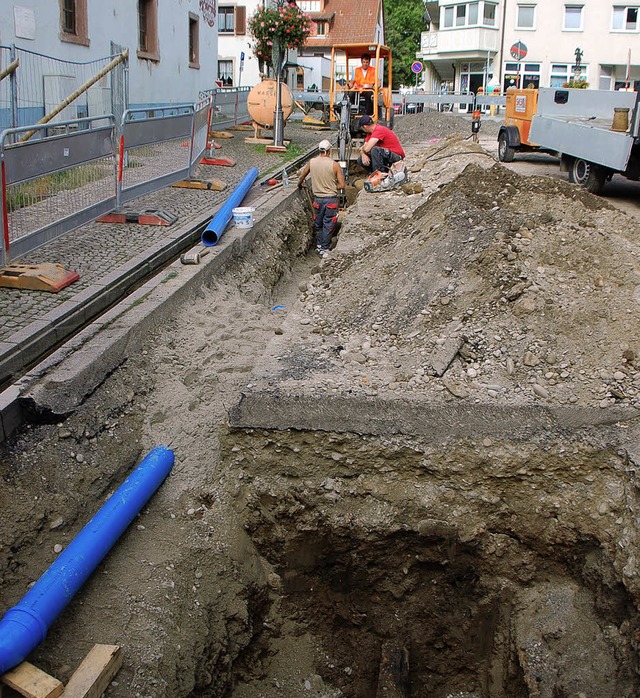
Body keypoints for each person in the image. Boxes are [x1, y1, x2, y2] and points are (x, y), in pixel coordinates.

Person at [297, 139, 346, 257]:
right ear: (329, 151)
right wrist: (332, 185)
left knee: (319, 224)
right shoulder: (335, 165)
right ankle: (325, 248)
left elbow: (301, 177)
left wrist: (300, 184)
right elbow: (342, 185)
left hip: (317, 200)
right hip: (331, 200)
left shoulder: (312, 162)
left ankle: (319, 246)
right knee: (328, 224)